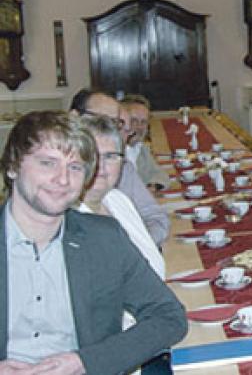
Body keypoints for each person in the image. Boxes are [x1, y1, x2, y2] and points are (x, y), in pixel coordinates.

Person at [0, 111, 187, 374]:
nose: (63, 179)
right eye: (47, 163)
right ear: (12, 166)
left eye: (75, 167)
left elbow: (169, 317)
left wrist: (87, 362)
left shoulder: (104, 239)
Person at [69, 88, 170, 246]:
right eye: (101, 120)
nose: (111, 130)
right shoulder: (57, 185)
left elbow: (156, 217)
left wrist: (139, 246)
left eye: (115, 123)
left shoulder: (121, 170)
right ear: (74, 118)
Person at [78, 114, 165, 278]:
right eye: (91, 156)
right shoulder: (70, 219)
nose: (101, 167)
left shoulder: (117, 199)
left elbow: (152, 264)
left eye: (110, 156)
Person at [120, 94, 169, 190]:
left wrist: (153, 186)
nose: (139, 127)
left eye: (143, 122)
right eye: (133, 121)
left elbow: (160, 174)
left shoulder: (141, 148)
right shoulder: (112, 154)